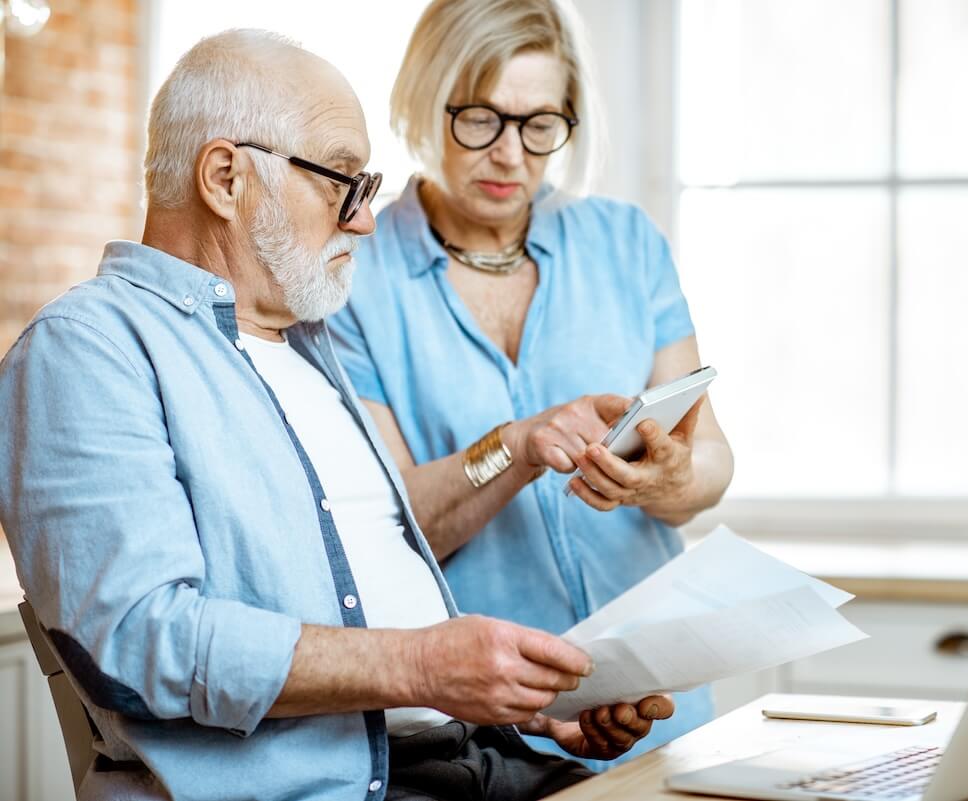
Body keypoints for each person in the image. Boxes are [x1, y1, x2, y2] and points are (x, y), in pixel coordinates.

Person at [0, 29, 672, 801]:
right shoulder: (86, 350)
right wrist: (423, 666)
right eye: (342, 183)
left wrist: (532, 703)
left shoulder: (313, 350)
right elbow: (139, 639)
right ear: (225, 178)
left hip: (481, 758)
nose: (366, 221)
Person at [328, 0, 734, 766]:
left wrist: (668, 477)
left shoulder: (626, 245)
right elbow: (392, 524)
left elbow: (711, 463)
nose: (511, 155)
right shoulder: (358, 276)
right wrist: (514, 449)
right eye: (480, 118)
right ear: (424, 99)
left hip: (663, 708)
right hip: (496, 736)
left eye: (540, 125)